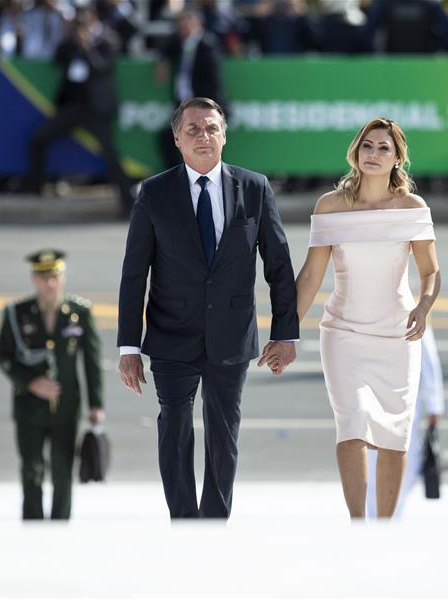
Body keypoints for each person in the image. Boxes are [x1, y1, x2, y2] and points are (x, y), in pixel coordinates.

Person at [117, 97, 299, 519]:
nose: (204, 135)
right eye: (193, 129)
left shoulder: (254, 188)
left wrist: (285, 334)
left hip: (231, 336)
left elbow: (278, 265)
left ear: (224, 134)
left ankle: (214, 524)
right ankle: (183, 521)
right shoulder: (155, 192)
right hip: (170, 335)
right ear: (177, 139)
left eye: (212, 127)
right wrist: (129, 347)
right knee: (175, 428)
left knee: (224, 433)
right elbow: (133, 273)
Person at [294, 117, 440, 520]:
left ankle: (383, 528)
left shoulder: (413, 208)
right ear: (356, 152)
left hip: (398, 335)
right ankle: (358, 524)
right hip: (343, 332)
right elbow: (309, 276)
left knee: (395, 434)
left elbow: (429, 272)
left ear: (397, 159)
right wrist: (283, 334)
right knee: (354, 422)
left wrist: (423, 307)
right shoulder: (330, 206)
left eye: (384, 148)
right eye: (368, 146)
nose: (374, 154)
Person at [0, 249, 104, 520]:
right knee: (31, 470)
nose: (50, 283)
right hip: (28, 406)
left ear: (62, 277)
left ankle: (59, 529)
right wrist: (30, 382)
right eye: (44, 277)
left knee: (62, 470)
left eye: (54, 276)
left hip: (66, 406)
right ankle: (32, 527)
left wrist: (96, 404)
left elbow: (91, 361)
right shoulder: (16, 313)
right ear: (34, 279)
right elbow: (3, 354)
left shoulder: (79, 312)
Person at [24, 8, 135, 214]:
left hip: (95, 110)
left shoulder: (108, 40)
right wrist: (70, 38)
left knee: (110, 154)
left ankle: (128, 204)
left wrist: (86, 47)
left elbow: (101, 68)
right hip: (72, 107)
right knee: (37, 139)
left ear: (94, 19)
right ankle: (34, 187)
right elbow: (57, 58)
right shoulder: (72, 41)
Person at [365, 327, 444, 519]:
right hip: (371, 407)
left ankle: (392, 517)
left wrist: (434, 406)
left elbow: (428, 362)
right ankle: (375, 519)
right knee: (371, 470)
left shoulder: (411, 312)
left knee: (405, 469)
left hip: (406, 408)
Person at [156, 11, 228, 169]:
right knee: (169, 138)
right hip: (185, 104)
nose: (183, 28)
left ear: (197, 24)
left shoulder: (207, 44)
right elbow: (166, 47)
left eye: (186, 24)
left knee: (195, 140)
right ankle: (180, 176)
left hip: (201, 104)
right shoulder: (181, 42)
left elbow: (212, 80)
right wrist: (163, 60)